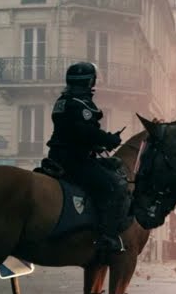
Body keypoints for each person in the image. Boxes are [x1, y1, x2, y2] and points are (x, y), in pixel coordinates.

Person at [46, 61, 127, 255]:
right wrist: (109, 139)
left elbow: (72, 131)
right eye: (93, 80)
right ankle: (107, 236)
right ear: (89, 81)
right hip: (74, 159)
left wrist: (96, 144)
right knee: (114, 186)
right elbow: (85, 132)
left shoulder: (63, 101)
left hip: (59, 155)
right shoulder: (81, 103)